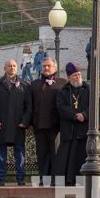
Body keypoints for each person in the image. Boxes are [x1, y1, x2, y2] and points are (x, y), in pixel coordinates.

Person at [0, 60, 31, 186]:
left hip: (19, 125)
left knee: (20, 153)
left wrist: (24, 122)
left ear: (17, 68)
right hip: (2, 125)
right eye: (9, 66)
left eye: (14, 66)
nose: (12, 68)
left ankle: (21, 178)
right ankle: (1, 178)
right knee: (1, 153)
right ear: (4, 68)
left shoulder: (24, 85)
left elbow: (28, 107)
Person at [28, 56, 66, 185]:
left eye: (49, 65)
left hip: (57, 126)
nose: (46, 68)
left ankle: (56, 179)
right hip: (39, 125)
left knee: (55, 153)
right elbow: (29, 106)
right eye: (44, 66)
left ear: (55, 67)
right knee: (42, 154)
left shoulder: (63, 83)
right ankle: (44, 178)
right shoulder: (34, 84)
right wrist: (30, 123)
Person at [54, 62, 89, 186]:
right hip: (68, 128)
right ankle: (67, 180)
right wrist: (75, 116)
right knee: (66, 156)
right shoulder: (63, 91)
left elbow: (95, 105)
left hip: (83, 128)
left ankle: (81, 180)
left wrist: (84, 115)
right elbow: (61, 107)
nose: (77, 77)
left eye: (79, 74)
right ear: (69, 78)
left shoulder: (88, 89)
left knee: (80, 155)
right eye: (74, 75)